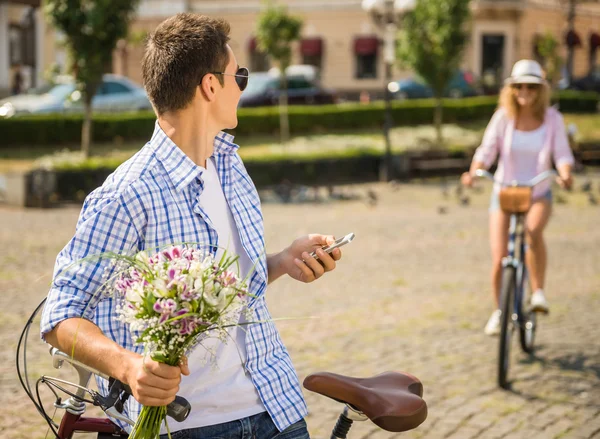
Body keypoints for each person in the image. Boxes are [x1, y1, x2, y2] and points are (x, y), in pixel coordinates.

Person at [41, 14, 343, 438]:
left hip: (276, 407)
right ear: (209, 86)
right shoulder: (127, 193)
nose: (244, 85)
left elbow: (223, 290)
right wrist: (127, 367)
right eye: (239, 75)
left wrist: (282, 261)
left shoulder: (231, 165)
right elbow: (60, 315)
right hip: (188, 426)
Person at [461, 59, 574, 336]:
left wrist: (565, 173)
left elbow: (561, 154)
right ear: (511, 89)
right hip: (505, 190)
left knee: (533, 232)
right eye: (519, 86)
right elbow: (487, 150)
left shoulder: (553, 120)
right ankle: (499, 311)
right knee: (500, 257)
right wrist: (475, 172)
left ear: (540, 90)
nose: (525, 91)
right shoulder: (503, 117)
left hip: (537, 191)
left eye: (531, 87)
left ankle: (538, 293)